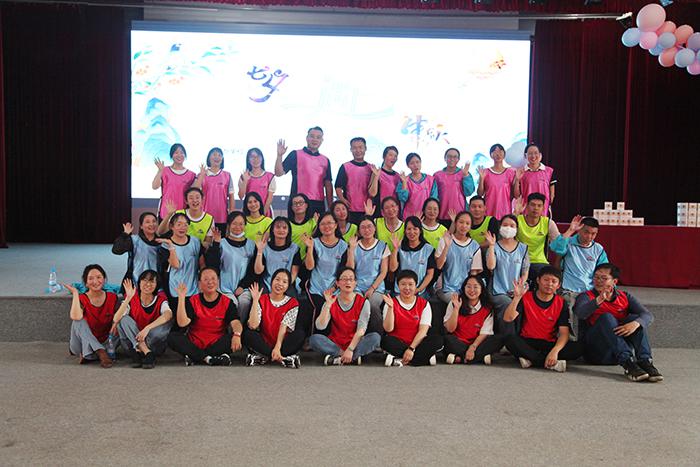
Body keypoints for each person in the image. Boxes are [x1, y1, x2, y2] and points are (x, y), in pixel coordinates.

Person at [574, 263, 662, 382]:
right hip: (596, 352)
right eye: (596, 277)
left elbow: (647, 315)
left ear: (614, 281)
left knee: (635, 319)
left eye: (604, 278)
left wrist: (636, 323)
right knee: (606, 317)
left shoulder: (624, 296)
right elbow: (580, 313)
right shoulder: (586, 296)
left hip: (615, 353)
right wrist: (598, 300)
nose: (598, 281)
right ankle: (628, 363)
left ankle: (645, 361)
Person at [503, 267, 582, 372]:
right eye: (546, 280)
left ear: (558, 285)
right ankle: (549, 363)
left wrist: (554, 351)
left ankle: (531, 359)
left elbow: (564, 333)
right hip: (527, 341)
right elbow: (508, 318)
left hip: (548, 344)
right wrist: (517, 298)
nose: (549, 284)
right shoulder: (526, 297)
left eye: (554, 281)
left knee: (579, 347)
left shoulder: (561, 302)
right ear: (538, 280)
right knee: (510, 339)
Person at [167, 268, 243, 366]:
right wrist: (181, 298)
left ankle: (197, 357)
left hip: (217, 343)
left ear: (218, 282)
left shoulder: (227, 302)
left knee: (238, 336)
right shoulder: (193, 300)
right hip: (195, 343)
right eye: (206, 279)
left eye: (213, 279)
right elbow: (182, 323)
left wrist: (237, 334)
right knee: (172, 337)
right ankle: (209, 358)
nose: (210, 282)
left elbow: (235, 322)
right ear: (199, 284)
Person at [550, 216, 608, 338]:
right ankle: (570, 342)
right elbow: (555, 248)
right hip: (569, 289)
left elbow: (604, 271)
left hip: (589, 291)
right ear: (579, 230)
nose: (589, 236)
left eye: (593, 234)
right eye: (586, 232)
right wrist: (570, 230)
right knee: (568, 311)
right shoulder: (568, 242)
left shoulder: (598, 249)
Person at [309, 267, 381, 365]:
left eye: (351, 279)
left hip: (355, 344)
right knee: (314, 339)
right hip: (336, 343)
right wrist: (328, 305)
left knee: (375, 338)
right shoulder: (331, 300)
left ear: (355, 283)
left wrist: (350, 349)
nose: (348, 282)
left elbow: (361, 330)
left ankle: (339, 359)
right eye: (344, 279)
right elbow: (320, 326)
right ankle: (351, 358)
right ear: (338, 283)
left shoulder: (364, 302)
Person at [303, 212, 354, 335]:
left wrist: (335, 287)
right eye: (323, 224)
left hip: (335, 287)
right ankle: (315, 338)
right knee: (320, 307)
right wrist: (309, 248)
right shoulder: (313, 242)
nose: (327, 226)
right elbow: (309, 267)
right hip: (316, 287)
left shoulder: (343, 245)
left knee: (336, 309)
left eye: (330, 223)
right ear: (319, 226)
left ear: (336, 225)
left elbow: (346, 270)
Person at [381, 270, 443, 367]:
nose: (407, 288)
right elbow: (388, 329)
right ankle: (422, 359)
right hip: (398, 342)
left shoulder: (424, 304)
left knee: (437, 340)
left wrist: (411, 349)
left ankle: (400, 360)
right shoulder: (391, 302)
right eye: (403, 284)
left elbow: (423, 331)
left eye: (410, 284)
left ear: (415, 286)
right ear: (398, 286)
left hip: (417, 343)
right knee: (385, 341)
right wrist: (390, 308)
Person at [205, 211, 257, 324]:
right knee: (232, 303)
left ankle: (240, 327)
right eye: (234, 223)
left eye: (241, 224)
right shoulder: (221, 243)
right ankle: (229, 329)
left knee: (244, 302)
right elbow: (212, 266)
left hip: (244, 286)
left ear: (245, 225)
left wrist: (242, 286)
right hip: (224, 286)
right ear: (229, 225)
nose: (238, 227)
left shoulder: (251, 245)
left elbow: (253, 271)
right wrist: (216, 243)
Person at [112, 272, 172, 369]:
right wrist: (128, 298)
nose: (148, 284)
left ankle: (141, 351)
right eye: (145, 280)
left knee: (167, 321)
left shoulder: (160, 299)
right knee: (123, 319)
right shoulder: (132, 298)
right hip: (131, 347)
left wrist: (147, 328)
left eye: (152, 281)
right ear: (139, 283)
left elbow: (168, 315)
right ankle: (145, 351)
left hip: (154, 345)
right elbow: (116, 318)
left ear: (157, 285)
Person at [244, 273, 303, 368]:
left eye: (284, 282)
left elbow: (284, 326)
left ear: (288, 286)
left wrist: (277, 347)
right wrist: (255, 300)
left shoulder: (293, 303)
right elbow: (253, 325)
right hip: (265, 342)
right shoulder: (262, 299)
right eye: (277, 279)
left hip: (282, 343)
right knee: (248, 334)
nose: (280, 283)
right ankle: (283, 359)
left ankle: (265, 357)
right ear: (271, 281)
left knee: (300, 335)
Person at [64, 264, 118, 368]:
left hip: (105, 341)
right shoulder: (82, 298)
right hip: (81, 343)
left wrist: (116, 323)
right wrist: (75, 294)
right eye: (91, 278)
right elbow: (75, 317)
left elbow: (119, 317)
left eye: (99, 277)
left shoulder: (112, 297)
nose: (95, 281)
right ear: (86, 283)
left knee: (122, 322)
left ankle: (90, 354)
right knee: (78, 321)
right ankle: (100, 352)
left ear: (104, 279)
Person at [443, 276, 504, 365]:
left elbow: (484, 333)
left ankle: (461, 357)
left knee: (499, 339)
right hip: (458, 341)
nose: (472, 290)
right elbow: (450, 329)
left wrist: (473, 347)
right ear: (464, 288)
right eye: (468, 286)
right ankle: (478, 357)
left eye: (475, 287)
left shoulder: (487, 308)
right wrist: (456, 309)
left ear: (481, 289)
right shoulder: (455, 302)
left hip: (477, 343)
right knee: (446, 339)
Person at [485, 214, 529, 335]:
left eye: (512, 226)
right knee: (507, 304)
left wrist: (519, 289)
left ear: (517, 229)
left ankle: (520, 336)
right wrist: (491, 246)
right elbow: (490, 266)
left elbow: (525, 272)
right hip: (497, 289)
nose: (508, 228)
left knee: (523, 304)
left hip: (517, 288)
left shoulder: (523, 248)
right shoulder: (494, 247)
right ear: (500, 227)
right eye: (505, 225)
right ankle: (506, 338)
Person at [275, 127, 333, 217]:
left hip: (318, 204)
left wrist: (331, 207)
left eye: (318, 137)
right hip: (297, 202)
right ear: (307, 138)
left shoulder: (325, 160)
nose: (315, 139)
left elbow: (328, 185)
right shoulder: (295, 154)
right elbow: (278, 173)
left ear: (322, 140)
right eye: (312, 136)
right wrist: (279, 156)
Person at [349, 216, 390, 332]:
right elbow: (350, 269)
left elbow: (383, 272)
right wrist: (351, 250)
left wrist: (372, 288)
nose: (366, 230)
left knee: (372, 305)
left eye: (369, 226)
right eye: (363, 227)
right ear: (359, 231)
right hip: (357, 286)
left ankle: (377, 334)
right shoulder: (354, 245)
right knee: (356, 304)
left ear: (375, 228)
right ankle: (355, 334)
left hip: (376, 287)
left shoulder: (382, 246)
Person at [156, 213, 201, 314]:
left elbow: (202, 264)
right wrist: (171, 246)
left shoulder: (195, 242)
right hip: (175, 288)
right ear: (172, 226)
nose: (182, 227)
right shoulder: (165, 245)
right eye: (179, 224)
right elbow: (176, 265)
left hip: (193, 288)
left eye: (185, 224)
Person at [435, 212, 483, 303]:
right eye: (461, 222)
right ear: (456, 223)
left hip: (465, 289)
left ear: (470, 226)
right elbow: (439, 266)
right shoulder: (445, 240)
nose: (464, 226)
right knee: (458, 303)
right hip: (445, 288)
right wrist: (446, 247)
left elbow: (473, 273)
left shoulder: (474, 246)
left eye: (467, 223)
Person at [514, 192, 562, 284]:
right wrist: (515, 213)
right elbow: (505, 235)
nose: (536, 208)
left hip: (539, 261)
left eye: (539, 206)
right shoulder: (517, 219)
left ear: (543, 208)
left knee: (549, 278)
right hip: (518, 261)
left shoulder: (548, 223)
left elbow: (559, 244)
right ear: (527, 206)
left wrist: (569, 232)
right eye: (532, 205)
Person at [389, 216, 436, 298]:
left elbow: (430, 274)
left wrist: (418, 289)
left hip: (419, 291)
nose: (412, 232)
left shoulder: (428, 249)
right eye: (409, 229)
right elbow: (392, 268)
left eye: (415, 229)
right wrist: (395, 249)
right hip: (400, 291)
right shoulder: (400, 247)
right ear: (405, 231)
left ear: (420, 230)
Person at [254, 216, 302, 296]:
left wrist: (282, 286)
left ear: (288, 231)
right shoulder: (264, 247)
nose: (281, 230)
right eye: (278, 227)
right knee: (262, 297)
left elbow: (294, 274)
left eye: (284, 228)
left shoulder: (294, 249)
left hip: (286, 283)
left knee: (290, 298)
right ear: (272, 230)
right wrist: (259, 251)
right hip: (267, 283)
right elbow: (258, 271)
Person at [112, 211, 160, 286]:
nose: (152, 224)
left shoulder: (161, 242)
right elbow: (116, 250)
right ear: (141, 226)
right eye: (147, 222)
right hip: (136, 281)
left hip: (155, 281)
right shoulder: (134, 240)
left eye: (154, 221)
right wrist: (125, 234)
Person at [193, 147, 235, 233]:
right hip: (204, 216)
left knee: (220, 240)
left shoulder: (227, 175)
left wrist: (231, 215)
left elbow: (231, 196)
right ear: (209, 158)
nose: (217, 157)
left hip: (222, 217)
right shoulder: (201, 174)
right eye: (214, 154)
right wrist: (201, 176)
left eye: (219, 155)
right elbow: (194, 191)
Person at [152, 143, 196, 220]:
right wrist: (160, 171)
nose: (179, 155)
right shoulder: (165, 170)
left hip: (183, 213)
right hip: (166, 212)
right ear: (171, 155)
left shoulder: (191, 175)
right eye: (176, 152)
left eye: (182, 153)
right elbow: (154, 186)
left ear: (185, 155)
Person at [335, 137, 373, 224]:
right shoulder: (345, 166)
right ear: (351, 149)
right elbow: (338, 187)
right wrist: (342, 199)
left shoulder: (371, 168)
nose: (358, 150)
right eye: (354, 148)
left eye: (360, 147)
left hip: (367, 210)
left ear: (365, 148)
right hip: (350, 209)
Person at [432, 147, 475, 226]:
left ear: (458, 159)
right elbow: (434, 196)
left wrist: (465, 175)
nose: (452, 159)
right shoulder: (437, 175)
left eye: (455, 157)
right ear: (445, 158)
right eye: (449, 156)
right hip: (441, 214)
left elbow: (469, 192)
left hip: (460, 215)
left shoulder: (463, 173)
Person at [514, 143, 557, 216]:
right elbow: (516, 195)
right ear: (525, 156)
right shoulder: (521, 172)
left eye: (535, 153)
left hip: (543, 212)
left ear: (540, 155)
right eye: (530, 153)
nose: (533, 156)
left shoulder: (549, 171)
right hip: (526, 212)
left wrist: (545, 206)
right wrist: (517, 179)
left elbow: (552, 196)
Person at [477, 143, 516, 220]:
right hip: (489, 211)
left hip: (505, 211)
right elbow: (480, 194)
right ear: (491, 155)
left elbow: (515, 194)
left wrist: (517, 179)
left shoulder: (511, 172)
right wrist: (481, 179)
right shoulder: (485, 172)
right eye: (495, 152)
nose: (498, 154)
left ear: (504, 154)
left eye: (500, 151)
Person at [238, 147, 276, 218]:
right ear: (248, 160)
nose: (255, 159)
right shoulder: (244, 176)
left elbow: (270, 197)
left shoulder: (270, 176)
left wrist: (262, 213)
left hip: (265, 213)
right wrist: (245, 181)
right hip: (248, 212)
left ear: (262, 158)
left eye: (258, 156)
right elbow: (241, 196)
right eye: (252, 157)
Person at [396, 152, 436, 219]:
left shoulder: (431, 180)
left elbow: (434, 199)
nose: (415, 165)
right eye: (412, 163)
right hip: (409, 217)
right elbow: (402, 199)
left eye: (417, 162)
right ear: (408, 165)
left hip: (426, 217)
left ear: (421, 162)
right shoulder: (404, 180)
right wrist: (404, 183)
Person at [368, 146, 401, 215]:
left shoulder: (398, 176)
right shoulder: (377, 172)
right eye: (390, 155)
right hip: (380, 212)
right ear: (384, 157)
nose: (393, 158)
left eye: (395, 156)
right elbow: (372, 194)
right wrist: (376, 176)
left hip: (394, 213)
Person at [288, 193, 317, 261]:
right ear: (292, 207)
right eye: (295, 203)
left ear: (306, 205)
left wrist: (317, 225)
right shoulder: (287, 224)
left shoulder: (313, 222)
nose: (298, 205)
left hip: (309, 259)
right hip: (291, 259)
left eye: (301, 203)